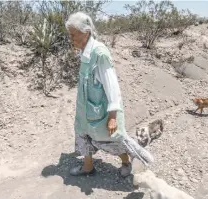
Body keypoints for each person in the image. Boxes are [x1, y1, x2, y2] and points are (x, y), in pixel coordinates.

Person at [65, 12, 154, 177]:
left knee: (108, 139)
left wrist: (113, 115)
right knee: (82, 134)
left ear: (85, 32)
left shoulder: (100, 54)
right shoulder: (85, 50)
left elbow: (112, 85)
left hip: (100, 109)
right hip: (86, 108)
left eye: (73, 35)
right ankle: (88, 167)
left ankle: (126, 161)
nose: (71, 38)